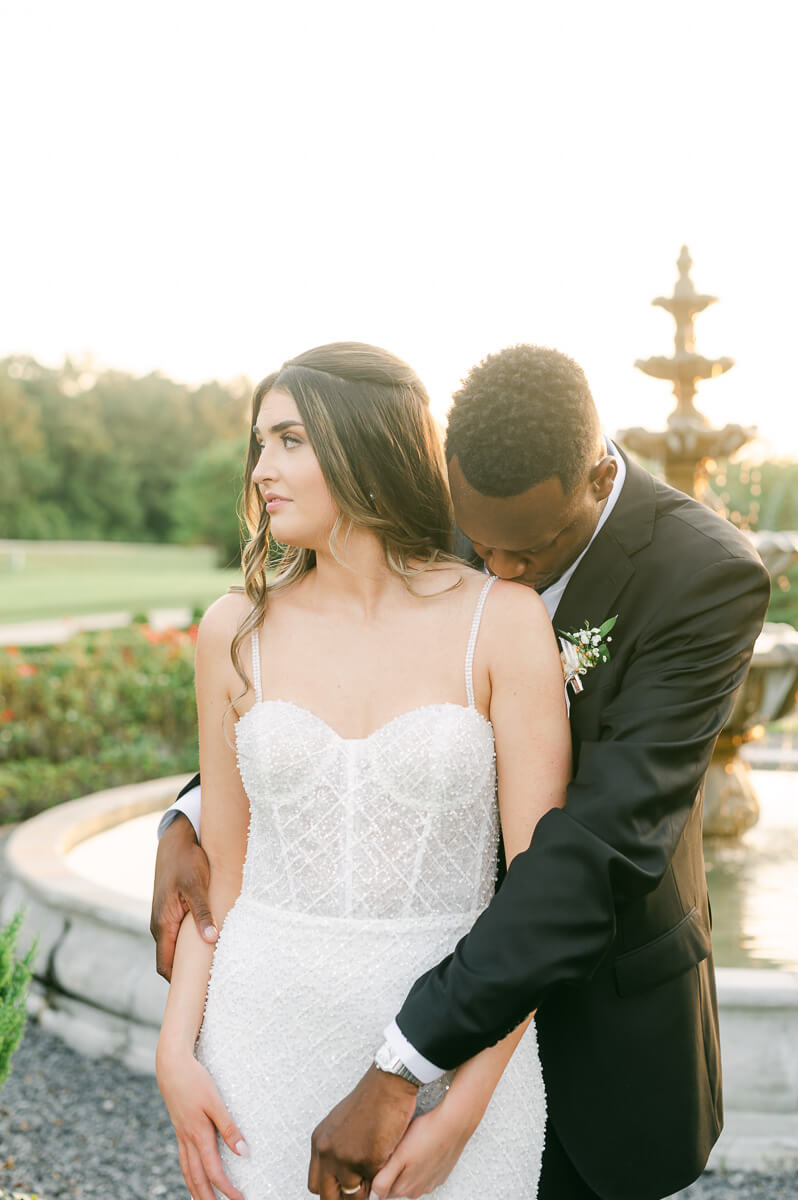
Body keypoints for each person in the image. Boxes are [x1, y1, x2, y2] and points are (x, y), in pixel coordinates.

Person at [154, 344, 771, 1200]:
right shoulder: (453, 496)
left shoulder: (703, 575)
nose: (500, 568)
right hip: (302, 1009)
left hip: (587, 999)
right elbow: (326, 704)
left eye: (532, 548)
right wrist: (188, 814)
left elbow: (592, 848)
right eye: (480, 544)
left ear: (598, 478)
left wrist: (410, 1070)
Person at [155, 342, 571, 1200]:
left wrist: (457, 1114)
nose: (262, 468)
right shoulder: (234, 629)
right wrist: (173, 1049)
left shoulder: (501, 622)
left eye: (290, 440)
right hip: (259, 1042)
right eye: (260, 444)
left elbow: (539, 899)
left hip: (452, 1052)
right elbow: (221, 872)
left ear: (368, 444)